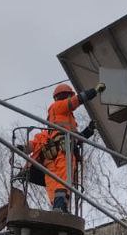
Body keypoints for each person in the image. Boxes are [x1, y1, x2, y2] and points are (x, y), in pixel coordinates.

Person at [29, 81, 104, 211]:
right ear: (65, 96)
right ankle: (59, 207)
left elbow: (77, 139)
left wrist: (89, 130)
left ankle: (59, 208)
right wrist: (94, 91)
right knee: (63, 181)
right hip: (62, 154)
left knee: (57, 183)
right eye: (69, 96)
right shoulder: (58, 107)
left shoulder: (59, 124)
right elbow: (76, 101)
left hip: (57, 155)